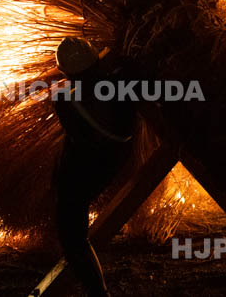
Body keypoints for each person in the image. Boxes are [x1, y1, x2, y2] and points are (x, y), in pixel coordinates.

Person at [51, 38, 139, 297]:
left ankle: (98, 293)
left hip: (82, 172)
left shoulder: (65, 101)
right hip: (115, 160)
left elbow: (79, 137)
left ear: (67, 73)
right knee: (74, 234)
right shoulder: (122, 82)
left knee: (72, 238)